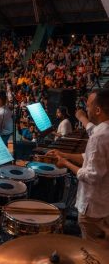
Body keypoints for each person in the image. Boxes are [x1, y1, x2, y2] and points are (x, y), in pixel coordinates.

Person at [48, 89, 109, 248]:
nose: (86, 109)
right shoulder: (103, 130)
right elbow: (88, 157)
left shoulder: (99, 136)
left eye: (88, 106)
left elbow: (91, 176)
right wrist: (64, 154)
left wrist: (65, 163)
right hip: (103, 205)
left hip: (93, 209)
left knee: (93, 253)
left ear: (98, 110)